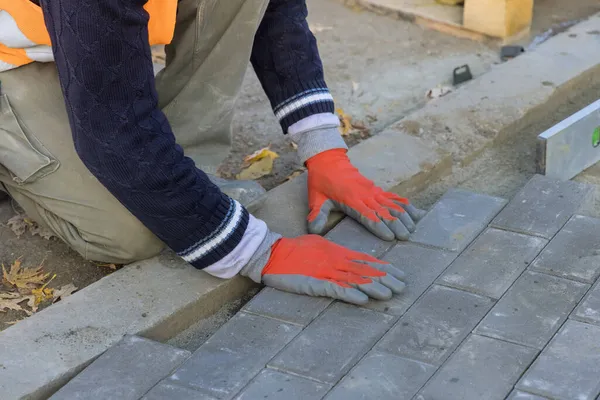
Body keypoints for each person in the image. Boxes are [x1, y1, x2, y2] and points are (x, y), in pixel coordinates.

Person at [0, 0, 424, 305]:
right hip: (13, 58)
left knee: (171, 208)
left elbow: (274, 10)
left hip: (90, 39)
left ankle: (182, 187)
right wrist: (261, 252)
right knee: (133, 233)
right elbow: (112, 136)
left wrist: (324, 149)